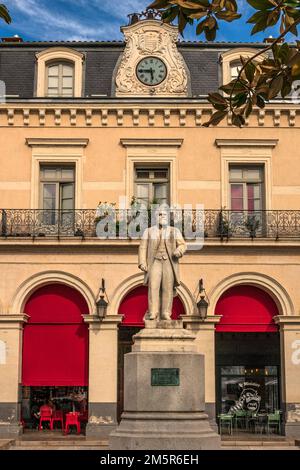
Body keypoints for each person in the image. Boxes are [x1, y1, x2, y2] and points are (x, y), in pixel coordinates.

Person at [138, 209, 187, 321]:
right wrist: (142, 262)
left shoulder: (175, 231)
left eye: (164, 214)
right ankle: (153, 312)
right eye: (159, 214)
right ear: (156, 217)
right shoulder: (148, 231)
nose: (162, 216)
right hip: (154, 261)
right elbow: (142, 247)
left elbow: (183, 245)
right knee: (153, 287)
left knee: (167, 288)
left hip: (169, 262)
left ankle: (166, 313)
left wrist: (178, 251)